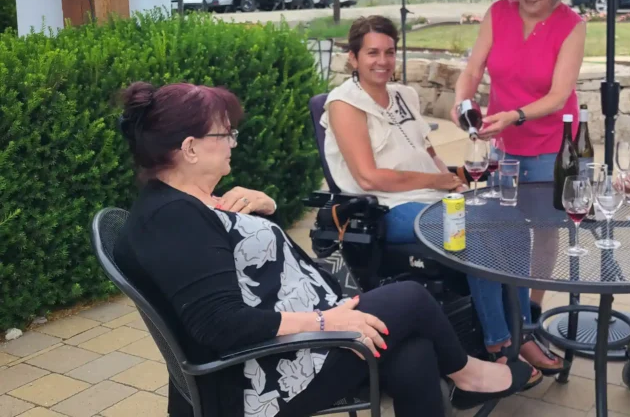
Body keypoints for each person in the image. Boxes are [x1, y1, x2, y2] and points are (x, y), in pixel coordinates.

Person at [113, 81, 533, 417]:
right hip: (263, 377)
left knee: (414, 353)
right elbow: (219, 324)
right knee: (411, 298)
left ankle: (463, 375)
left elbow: (247, 264)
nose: (233, 144)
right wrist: (325, 320)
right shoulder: (172, 219)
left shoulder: (188, 202)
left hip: (299, 338)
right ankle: (468, 374)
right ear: (189, 148)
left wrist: (267, 209)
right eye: (225, 135)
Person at [321, 16, 554, 380]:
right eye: (372, 53)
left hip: (433, 196)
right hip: (386, 207)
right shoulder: (344, 103)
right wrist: (438, 181)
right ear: (353, 57)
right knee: (474, 230)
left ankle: (522, 329)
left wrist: (454, 182)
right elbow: (368, 176)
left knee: (512, 221)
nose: (382, 61)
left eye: (389, 52)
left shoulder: (404, 95)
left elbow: (428, 152)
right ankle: (499, 344)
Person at [450, 0, 586, 334]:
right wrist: (461, 102)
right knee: (501, 226)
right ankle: (507, 308)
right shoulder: (498, 13)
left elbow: (559, 94)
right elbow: (473, 70)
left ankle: (532, 308)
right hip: (503, 143)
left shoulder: (572, 25)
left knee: (544, 229)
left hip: (551, 143)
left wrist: (516, 115)